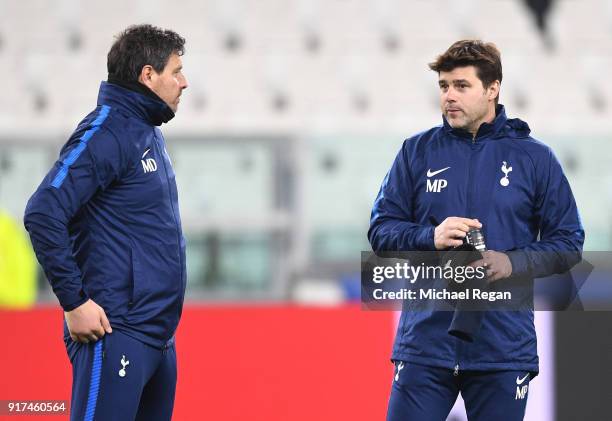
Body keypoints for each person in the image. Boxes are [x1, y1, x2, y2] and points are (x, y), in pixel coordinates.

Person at [368, 40, 584, 421]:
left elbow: (569, 242)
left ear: (492, 88)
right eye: (444, 86)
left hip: (501, 346)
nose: (449, 96)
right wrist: (429, 236)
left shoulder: (534, 158)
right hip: (425, 343)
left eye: (461, 86)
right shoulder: (416, 152)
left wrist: (512, 262)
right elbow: (381, 229)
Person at [24, 24, 188, 421]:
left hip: (159, 340)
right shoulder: (109, 132)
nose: (184, 83)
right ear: (147, 75)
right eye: (176, 71)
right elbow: (43, 210)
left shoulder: (147, 130)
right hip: (117, 334)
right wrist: (74, 301)